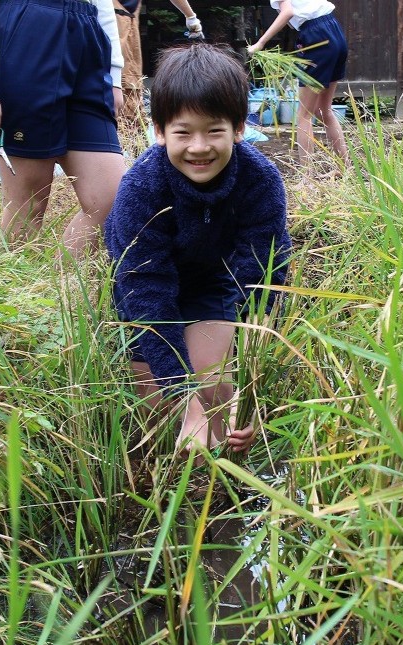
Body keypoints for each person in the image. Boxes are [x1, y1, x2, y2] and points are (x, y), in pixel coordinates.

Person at [104, 43, 292, 457]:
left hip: (210, 279)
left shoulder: (260, 180)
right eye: (183, 132)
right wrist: (184, 401)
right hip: (143, 289)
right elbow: (145, 289)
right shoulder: (142, 187)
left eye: (214, 131)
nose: (199, 147)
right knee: (161, 415)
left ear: (239, 128)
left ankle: (223, 468)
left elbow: (262, 276)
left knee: (218, 398)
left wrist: (248, 390)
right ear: (159, 131)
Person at [0, 0, 127, 257]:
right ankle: (17, 280)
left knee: (113, 199)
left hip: (88, 40)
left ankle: (62, 279)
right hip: (27, 33)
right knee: (28, 204)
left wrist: (114, 74)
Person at [247, 0, 350, 169]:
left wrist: (260, 43)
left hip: (317, 36)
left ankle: (307, 177)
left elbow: (287, 13)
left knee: (304, 114)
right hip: (333, 29)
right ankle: (345, 168)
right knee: (323, 110)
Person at [113, 0, 205, 128]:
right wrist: (191, 17)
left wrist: (191, 17)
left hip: (127, 23)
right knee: (125, 96)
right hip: (118, 26)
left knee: (130, 93)